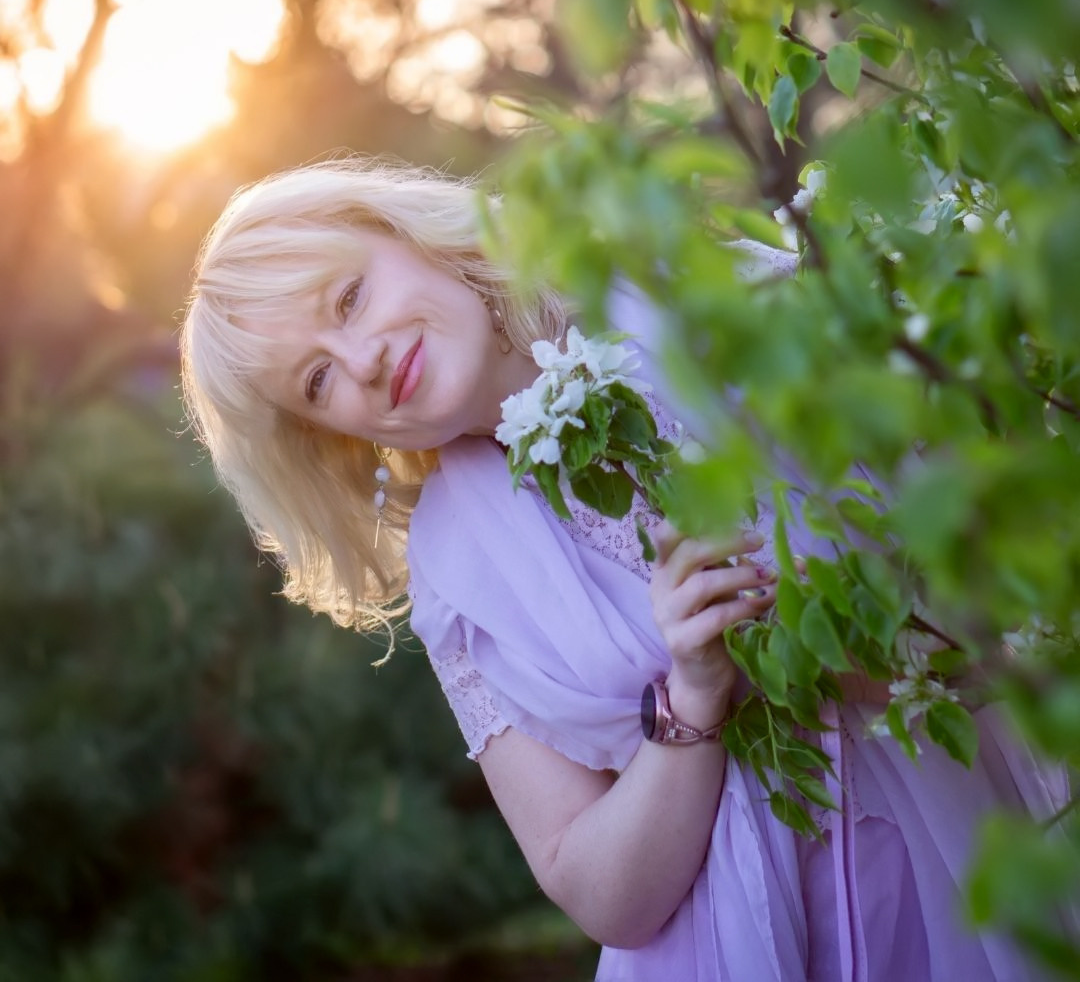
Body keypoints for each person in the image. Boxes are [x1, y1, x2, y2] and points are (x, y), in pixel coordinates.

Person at [181, 157, 1066, 981]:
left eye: (348, 299)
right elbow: (598, 889)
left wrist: (821, 644)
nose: (363, 360)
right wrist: (693, 696)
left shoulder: (670, 287)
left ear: (407, 236)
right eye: (317, 382)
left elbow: (996, 515)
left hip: (959, 845)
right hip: (740, 942)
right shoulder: (456, 569)